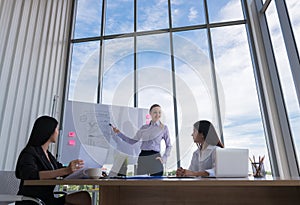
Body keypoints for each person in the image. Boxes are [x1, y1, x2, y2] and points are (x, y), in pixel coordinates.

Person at [15, 116, 91, 205]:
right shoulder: (29, 152)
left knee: (83, 197)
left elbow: (60, 169)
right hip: (33, 201)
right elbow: (30, 174)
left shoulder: (48, 155)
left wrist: (83, 171)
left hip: (48, 199)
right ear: (49, 131)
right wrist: (65, 170)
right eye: (57, 129)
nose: (58, 133)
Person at [111, 104, 172, 176]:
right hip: (143, 157)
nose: (157, 114)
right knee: (141, 183)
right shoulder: (144, 128)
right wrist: (119, 133)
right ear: (150, 114)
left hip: (155, 157)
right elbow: (132, 141)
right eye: (155, 112)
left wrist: (164, 158)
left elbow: (169, 146)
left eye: (159, 112)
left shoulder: (164, 128)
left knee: (156, 184)